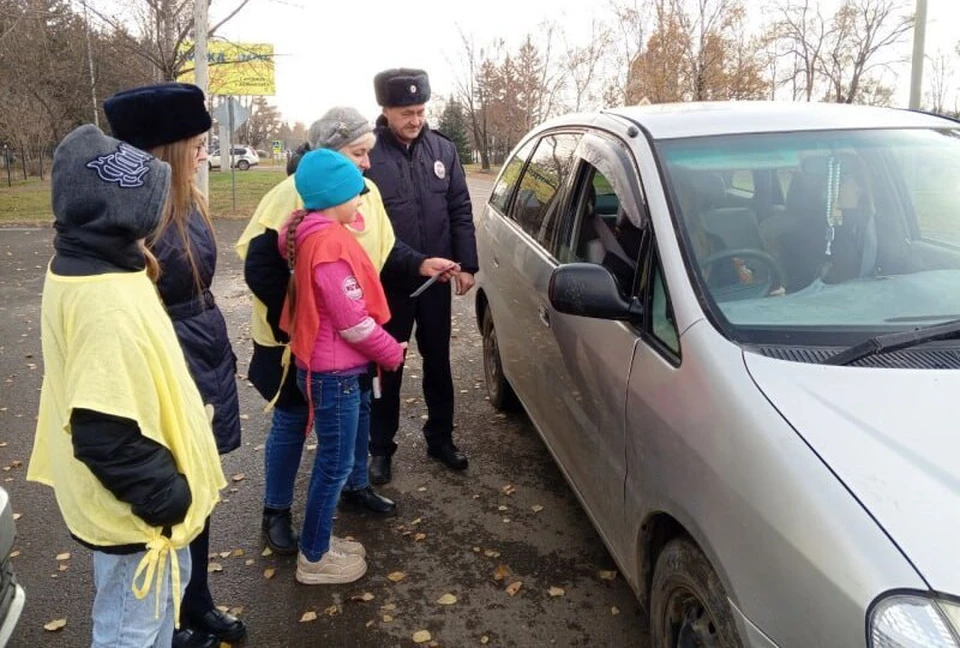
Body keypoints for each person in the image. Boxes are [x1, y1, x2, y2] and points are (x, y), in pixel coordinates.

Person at [28, 124, 226, 648]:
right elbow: (103, 429)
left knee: (155, 619)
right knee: (130, 633)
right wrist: (169, 498)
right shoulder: (104, 300)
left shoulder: (95, 263)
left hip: (140, 517)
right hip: (137, 519)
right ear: (124, 211)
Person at [237, 107, 458, 553]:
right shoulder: (294, 195)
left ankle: (356, 488)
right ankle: (276, 510)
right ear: (329, 152)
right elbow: (261, 268)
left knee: (358, 411)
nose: (367, 163)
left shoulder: (364, 192)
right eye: (359, 153)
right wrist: (307, 322)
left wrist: (419, 262)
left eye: (368, 153)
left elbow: (384, 248)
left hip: (349, 340)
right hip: (297, 343)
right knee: (293, 421)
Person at [104, 82, 244, 648]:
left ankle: (196, 601)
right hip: (171, 359)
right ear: (165, 148)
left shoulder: (184, 202)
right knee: (171, 495)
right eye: (196, 142)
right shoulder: (132, 221)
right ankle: (172, 619)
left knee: (200, 489)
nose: (204, 152)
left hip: (199, 348)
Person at [280, 148, 405, 584]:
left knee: (333, 461)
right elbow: (352, 322)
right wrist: (392, 351)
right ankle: (314, 557)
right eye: (356, 195)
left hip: (324, 365)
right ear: (335, 196)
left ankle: (320, 541)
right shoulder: (330, 244)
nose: (360, 203)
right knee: (333, 465)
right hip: (334, 375)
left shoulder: (309, 232)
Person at [365, 68, 479, 484]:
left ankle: (441, 438)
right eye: (406, 112)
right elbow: (363, 228)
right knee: (386, 367)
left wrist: (466, 264)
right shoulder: (368, 155)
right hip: (388, 285)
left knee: (439, 362)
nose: (415, 119)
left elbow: (460, 209)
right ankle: (380, 448)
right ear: (386, 110)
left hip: (437, 283)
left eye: (420, 110)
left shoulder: (442, 150)